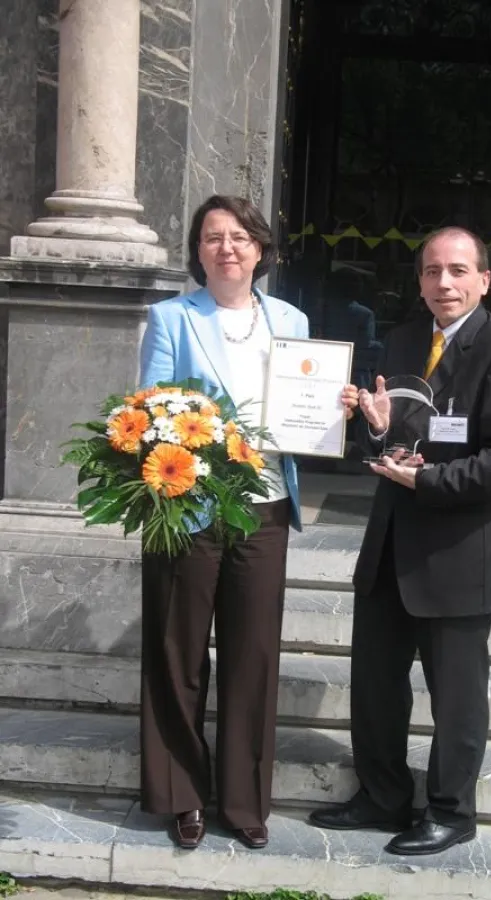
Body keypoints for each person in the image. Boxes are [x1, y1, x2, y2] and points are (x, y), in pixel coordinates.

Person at [310, 226, 491, 856]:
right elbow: (390, 441)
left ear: (484, 280)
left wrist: (432, 480)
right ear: (418, 280)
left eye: (459, 271)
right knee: (376, 681)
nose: (445, 283)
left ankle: (449, 810)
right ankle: (382, 795)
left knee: (456, 696)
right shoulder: (405, 340)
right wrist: (376, 431)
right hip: (391, 542)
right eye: (433, 271)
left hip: (462, 551)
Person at [138, 195, 309, 851]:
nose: (227, 248)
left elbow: (305, 406)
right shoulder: (172, 318)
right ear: (198, 251)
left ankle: (243, 800)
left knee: (252, 654)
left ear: (259, 249)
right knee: (180, 652)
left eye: (239, 236)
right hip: (190, 506)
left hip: (265, 506)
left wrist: (336, 406)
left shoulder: (290, 318)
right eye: (213, 237)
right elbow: (150, 412)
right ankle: (182, 796)